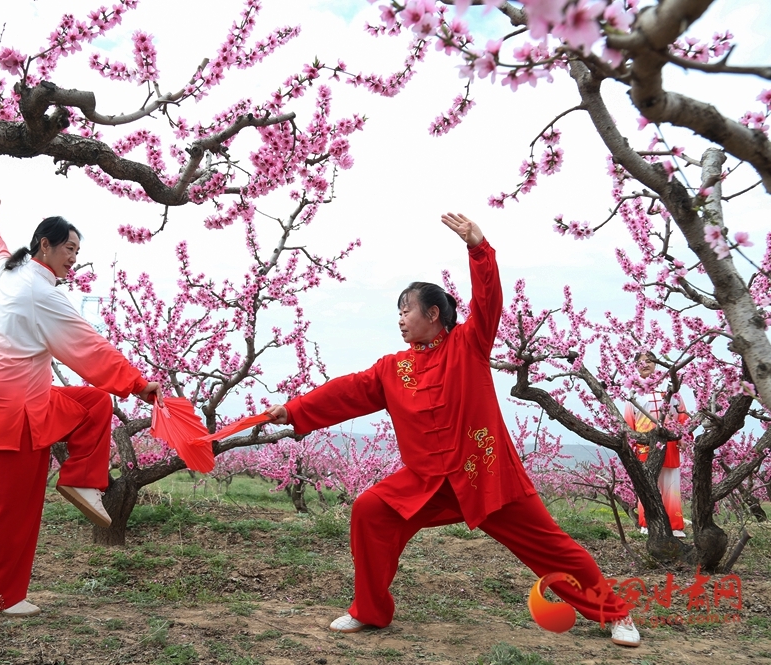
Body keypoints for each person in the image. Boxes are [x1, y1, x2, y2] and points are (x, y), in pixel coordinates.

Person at [268, 213, 640, 647]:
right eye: (398, 312)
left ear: (432, 312)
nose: (401, 319)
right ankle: (370, 611)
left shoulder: (469, 344)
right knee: (371, 510)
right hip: (426, 481)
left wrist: (479, 250)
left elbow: (488, 302)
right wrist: (293, 411)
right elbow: (346, 392)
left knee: (553, 547)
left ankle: (615, 613)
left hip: (487, 476)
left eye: (406, 309)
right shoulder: (393, 368)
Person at [0, 196, 162, 617]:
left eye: (77, 251)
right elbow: (90, 348)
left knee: (94, 403)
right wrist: (138, 383)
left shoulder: (9, 271)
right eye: (69, 249)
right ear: (44, 246)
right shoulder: (42, 294)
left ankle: (81, 478)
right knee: (9, 509)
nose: (74, 258)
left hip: (24, 402)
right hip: (14, 414)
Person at [624, 351, 689, 538]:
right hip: (645, 443)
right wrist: (631, 443)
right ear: (635, 366)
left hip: (669, 442)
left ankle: (675, 526)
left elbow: (682, 414)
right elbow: (629, 421)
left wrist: (683, 437)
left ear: (655, 363)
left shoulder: (670, 389)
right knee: (647, 483)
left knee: (671, 483)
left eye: (648, 361)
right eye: (640, 362)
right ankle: (647, 523)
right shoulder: (632, 391)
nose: (644, 364)